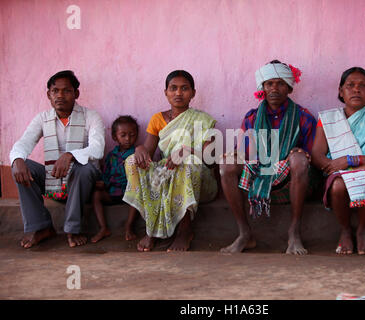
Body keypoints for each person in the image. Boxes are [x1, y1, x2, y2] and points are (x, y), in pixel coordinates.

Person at [220, 60, 319, 255]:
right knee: (226, 165)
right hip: (258, 177)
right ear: (262, 88)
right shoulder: (251, 118)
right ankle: (244, 233)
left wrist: (296, 153)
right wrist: (234, 155)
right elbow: (243, 153)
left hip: (292, 180)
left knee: (299, 159)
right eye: (269, 84)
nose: (274, 88)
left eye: (280, 83)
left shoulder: (303, 117)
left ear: (289, 88)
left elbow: (311, 157)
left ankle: (294, 232)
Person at [123, 70, 218, 252]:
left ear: (193, 93)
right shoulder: (157, 119)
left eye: (184, 89)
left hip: (198, 180)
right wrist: (140, 149)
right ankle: (151, 229)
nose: (178, 93)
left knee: (186, 163)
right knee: (132, 162)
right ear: (165, 92)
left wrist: (187, 151)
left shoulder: (203, 120)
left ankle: (185, 230)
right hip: (167, 174)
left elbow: (210, 160)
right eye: (173, 88)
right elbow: (147, 155)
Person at [10, 70, 105, 248]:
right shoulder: (42, 118)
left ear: (76, 94)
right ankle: (41, 227)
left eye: (66, 91)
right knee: (20, 166)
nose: (60, 95)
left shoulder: (91, 116)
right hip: (54, 180)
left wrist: (71, 156)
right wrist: (17, 160)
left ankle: (73, 229)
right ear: (49, 94)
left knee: (83, 169)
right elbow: (23, 143)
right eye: (55, 91)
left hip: (82, 182)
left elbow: (97, 149)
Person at [311, 67, 365, 255]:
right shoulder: (328, 119)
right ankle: (345, 230)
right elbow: (317, 154)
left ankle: (362, 231)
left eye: (363, 86)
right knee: (338, 186)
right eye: (350, 85)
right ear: (340, 91)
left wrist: (350, 161)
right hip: (338, 175)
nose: (356, 90)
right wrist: (334, 167)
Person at [91, 115, 139, 243]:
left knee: (137, 195)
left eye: (132, 135)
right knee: (96, 195)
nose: (128, 139)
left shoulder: (137, 154)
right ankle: (103, 228)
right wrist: (103, 183)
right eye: (123, 135)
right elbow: (106, 173)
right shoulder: (111, 156)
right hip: (112, 192)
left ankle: (129, 226)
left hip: (128, 192)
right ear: (114, 137)